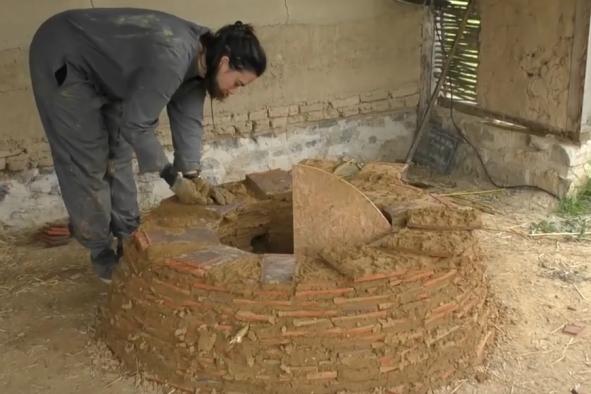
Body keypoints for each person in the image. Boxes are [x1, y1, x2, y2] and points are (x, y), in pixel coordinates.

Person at [29, 8, 267, 283]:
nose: (234, 91)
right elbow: (137, 125)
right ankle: (101, 254)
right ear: (225, 63)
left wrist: (192, 176)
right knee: (89, 162)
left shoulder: (204, 59)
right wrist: (172, 179)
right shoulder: (174, 54)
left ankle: (128, 239)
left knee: (118, 155)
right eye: (238, 83)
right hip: (66, 55)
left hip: (109, 71)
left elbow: (188, 118)